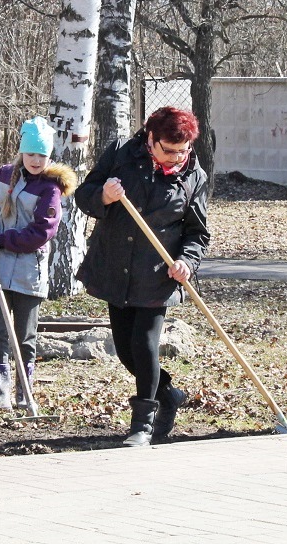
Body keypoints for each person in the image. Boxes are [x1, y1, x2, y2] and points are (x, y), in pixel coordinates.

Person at [76, 106, 209, 447]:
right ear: (151, 139)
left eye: (183, 150)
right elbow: (84, 195)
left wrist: (186, 262)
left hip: (157, 274)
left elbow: (197, 234)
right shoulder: (121, 154)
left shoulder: (194, 176)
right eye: (169, 150)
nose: (176, 157)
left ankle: (142, 426)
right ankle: (168, 394)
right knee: (124, 350)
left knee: (144, 345)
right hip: (116, 265)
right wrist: (103, 196)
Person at [0, 117, 76, 413]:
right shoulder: (7, 176)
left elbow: (42, 232)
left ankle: (24, 391)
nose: (36, 160)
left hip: (28, 272)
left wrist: (2, 240)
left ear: (49, 156)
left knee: (25, 334)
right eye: (31, 153)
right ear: (22, 152)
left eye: (42, 155)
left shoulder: (50, 189)